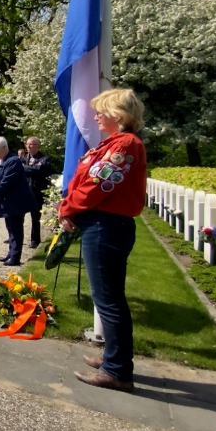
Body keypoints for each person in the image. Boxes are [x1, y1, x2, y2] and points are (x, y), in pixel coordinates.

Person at [60, 89, 147, 393]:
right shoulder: (113, 144)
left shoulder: (125, 145)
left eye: (101, 111)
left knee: (109, 300)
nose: (95, 116)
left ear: (117, 114)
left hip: (107, 225)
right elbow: (84, 181)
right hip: (101, 223)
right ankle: (114, 357)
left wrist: (69, 208)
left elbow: (99, 186)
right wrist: (68, 205)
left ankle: (118, 371)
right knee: (108, 298)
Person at [0, 136, 35, 266]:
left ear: (4, 148)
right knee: (10, 228)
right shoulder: (0, 160)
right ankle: (11, 253)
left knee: (16, 229)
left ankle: (15, 257)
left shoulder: (13, 161)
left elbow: (7, 181)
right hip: (8, 202)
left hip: (16, 201)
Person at [20, 136, 53, 249]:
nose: (28, 146)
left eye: (32, 144)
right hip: (24, 192)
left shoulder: (44, 159)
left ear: (38, 146)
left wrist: (22, 168)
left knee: (35, 217)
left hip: (36, 192)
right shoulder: (24, 158)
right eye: (27, 144)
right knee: (18, 216)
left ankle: (35, 240)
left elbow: (37, 170)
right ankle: (16, 239)